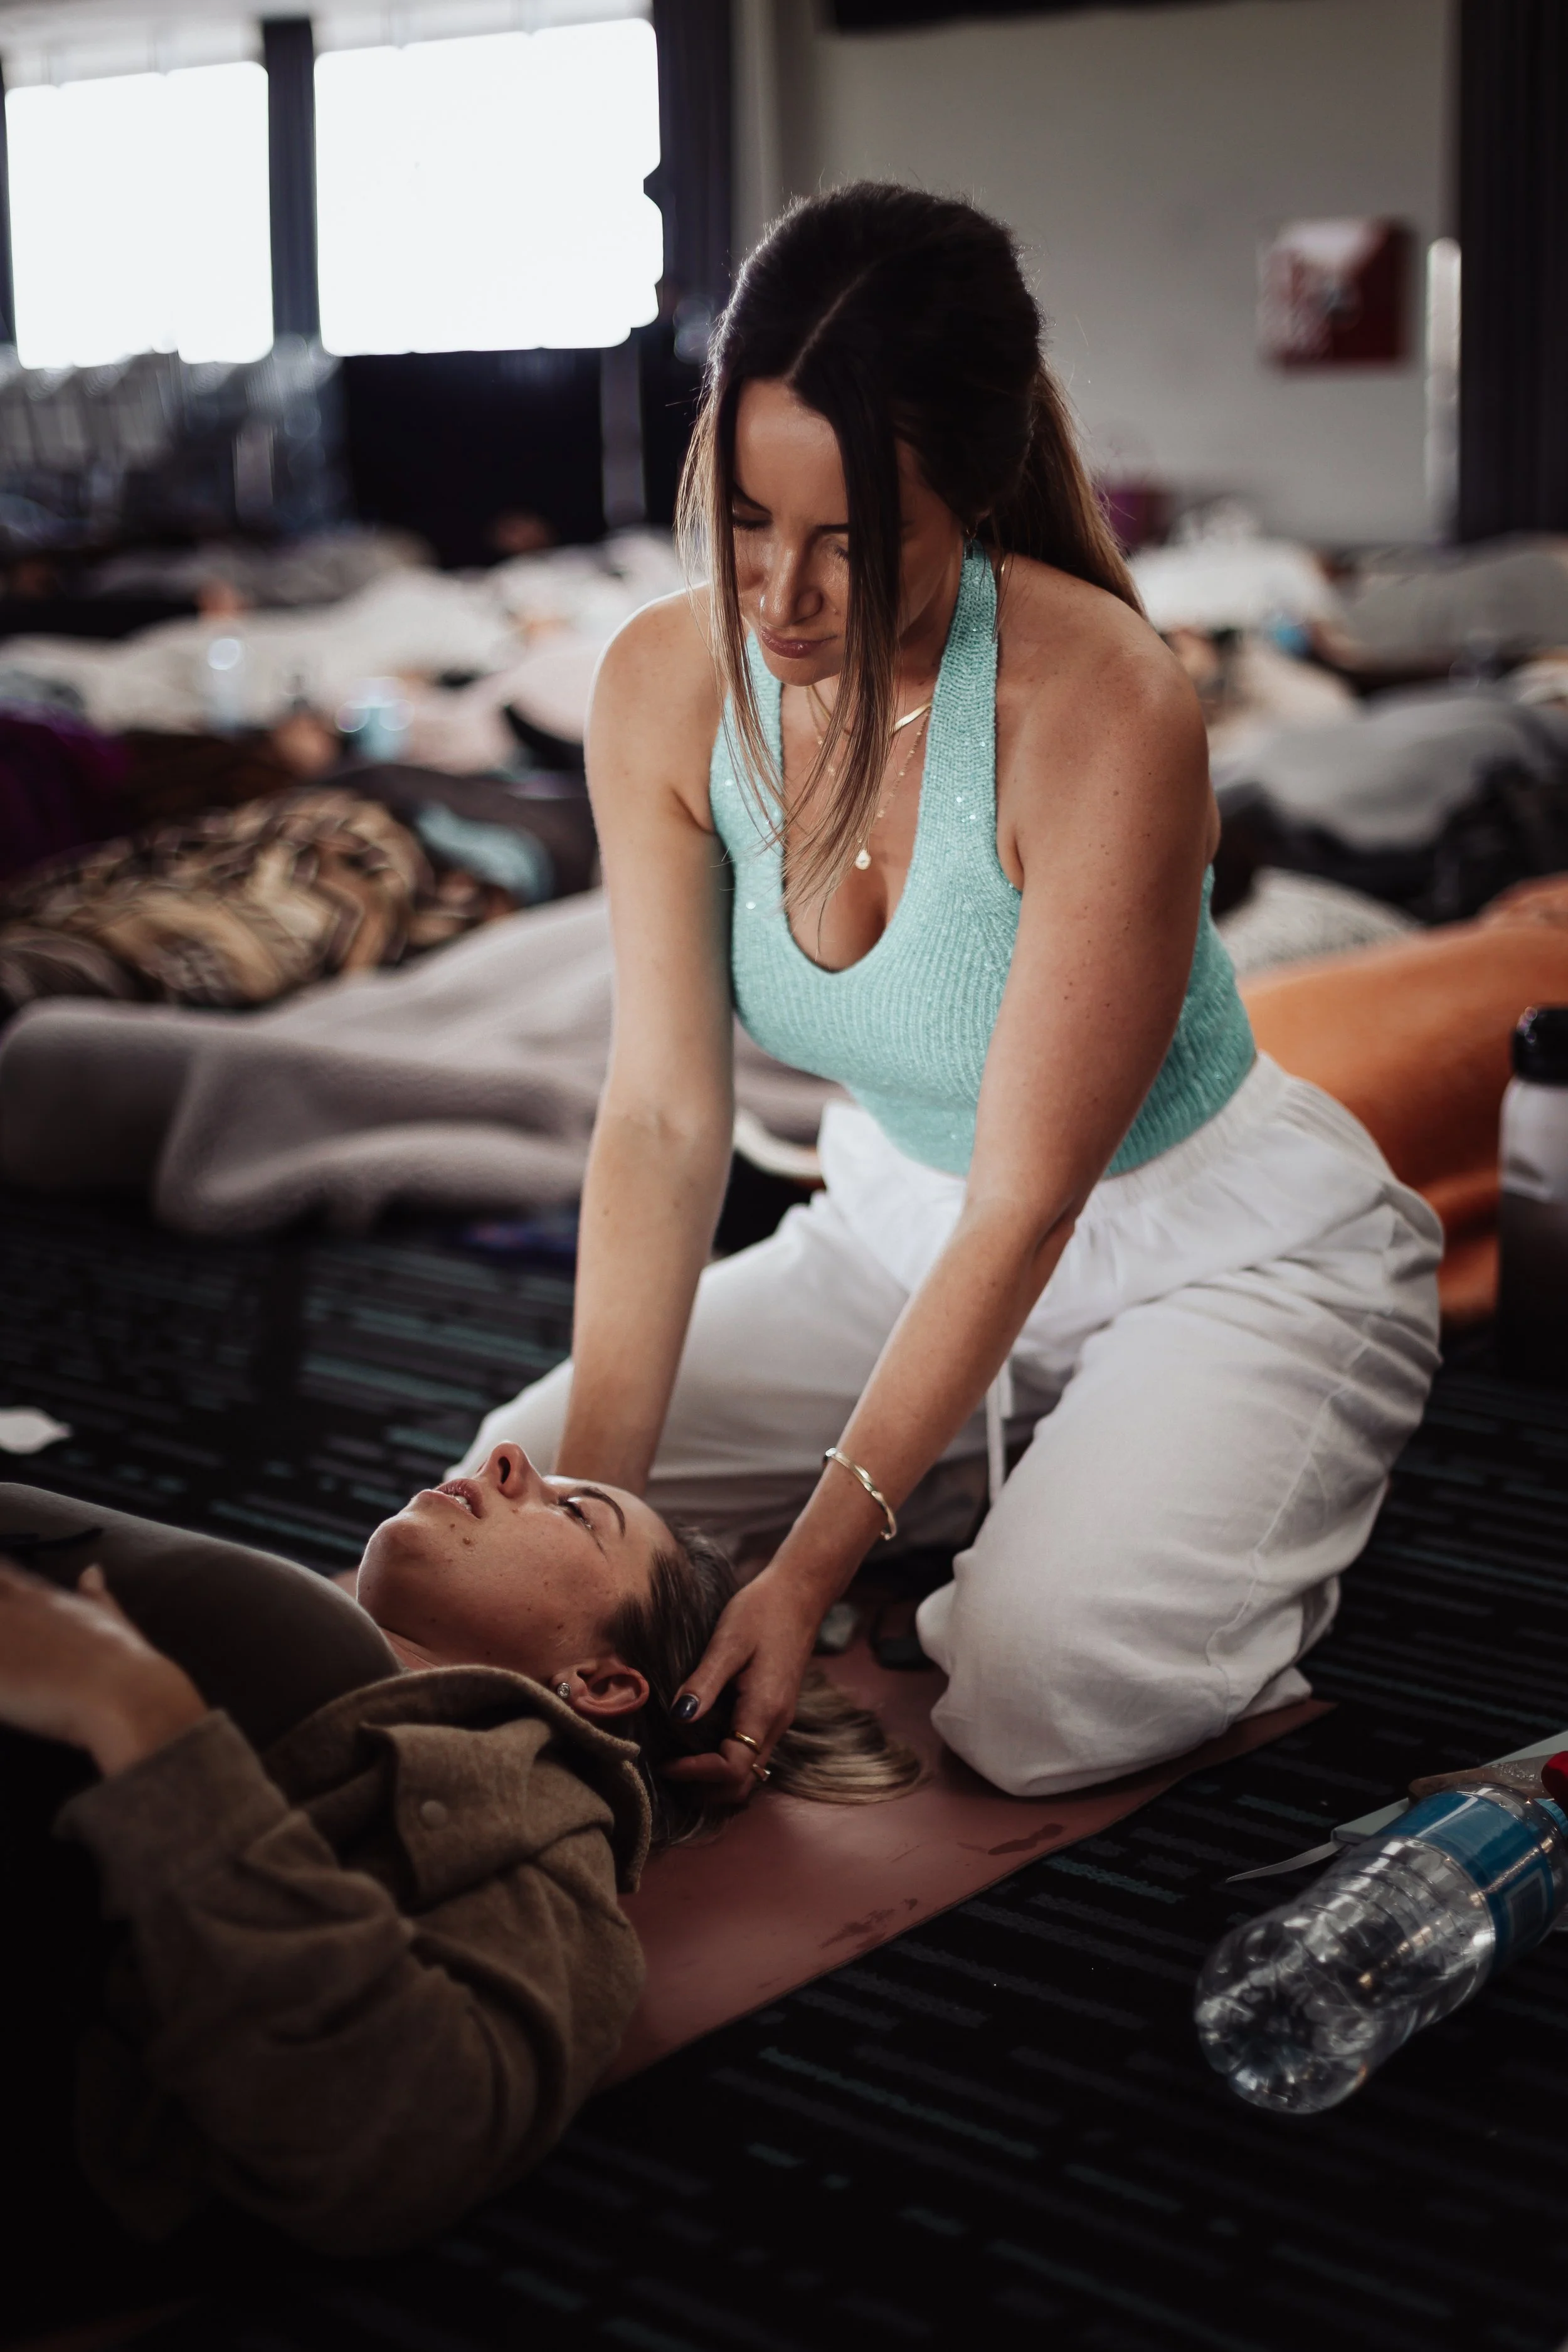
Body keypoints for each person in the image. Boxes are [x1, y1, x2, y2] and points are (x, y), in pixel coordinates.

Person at [455, 183, 1443, 1806]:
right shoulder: (658, 682)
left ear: (968, 500)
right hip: (895, 1228)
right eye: (746, 524)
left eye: (848, 544)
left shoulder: (1104, 699)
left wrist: (802, 1567)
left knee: (1036, 1696)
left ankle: (1150, 1491)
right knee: (502, 1510)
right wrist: (598, 1545)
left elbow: (1029, 1198)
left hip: (1202, 1249)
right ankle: (956, 1483)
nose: (775, 598)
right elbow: (657, 1115)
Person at [0, 1449, 913, 2289]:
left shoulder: (531, 1809)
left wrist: (142, 1718)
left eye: (579, 1513)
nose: (507, 1458)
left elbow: (408, 2138)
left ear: (600, 1683)